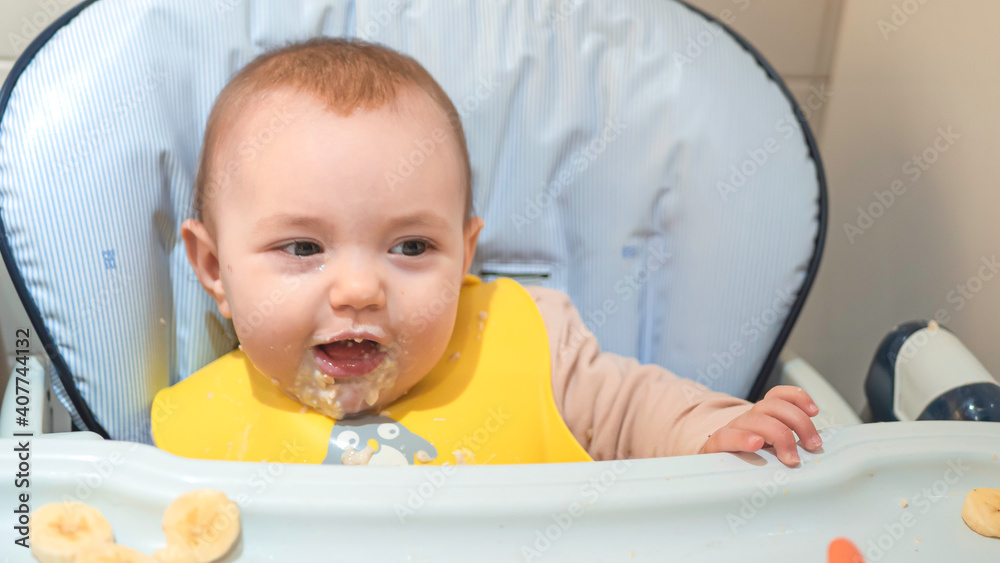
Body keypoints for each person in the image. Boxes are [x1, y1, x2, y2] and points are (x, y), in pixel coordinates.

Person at [155, 38, 821, 467]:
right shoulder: (190, 438)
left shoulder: (526, 341)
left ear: (465, 253)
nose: (358, 289)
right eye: (303, 246)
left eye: (412, 245)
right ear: (214, 268)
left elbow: (631, 413)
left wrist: (720, 431)